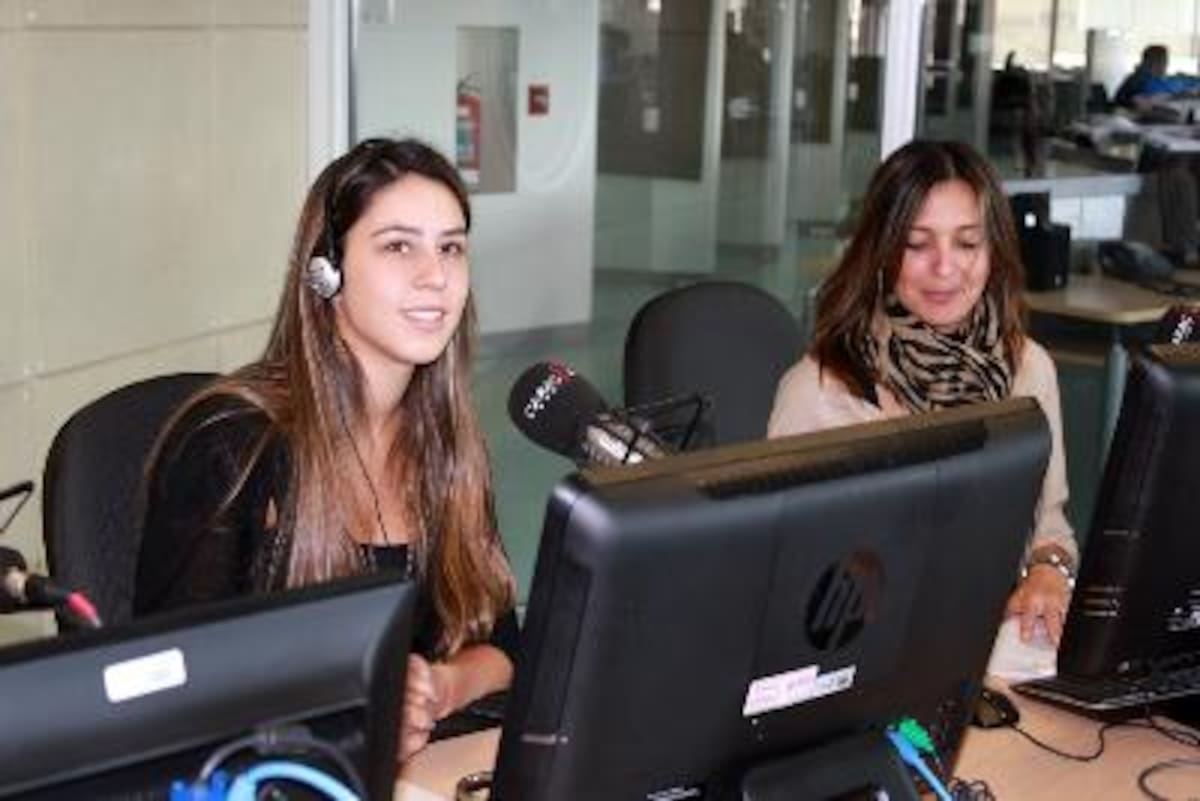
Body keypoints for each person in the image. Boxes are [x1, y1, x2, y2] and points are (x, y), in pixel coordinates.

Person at [133, 137, 518, 762]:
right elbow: (167, 689)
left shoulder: (447, 446)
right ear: (326, 272)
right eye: (399, 246)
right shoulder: (231, 446)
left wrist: (439, 687)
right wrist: (346, 717)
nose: (436, 276)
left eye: (451, 247)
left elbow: (506, 646)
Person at [768, 140, 1077, 645]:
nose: (944, 267)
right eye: (917, 244)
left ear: (992, 249)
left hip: (1000, 657)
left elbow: (1050, 527)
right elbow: (792, 588)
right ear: (882, 252)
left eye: (967, 242)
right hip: (872, 663)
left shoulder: (1028, 370)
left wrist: (1048, 571)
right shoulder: (821, 392)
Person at [1114, 44, 1200, 112]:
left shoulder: (1149, 78)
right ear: (1152, 62)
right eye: (1163, 61)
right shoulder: (1140, 80)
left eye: (1165, 61)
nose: (1165, 65)